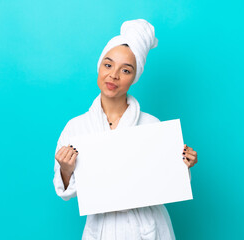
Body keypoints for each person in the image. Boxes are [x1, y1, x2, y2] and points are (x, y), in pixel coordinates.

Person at [53, 19, 198, 240]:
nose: (114, 75)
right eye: (108, 65)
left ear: (135, 76)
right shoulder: (76, 127)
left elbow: (168, 183)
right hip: (101, 229)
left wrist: (184, 165)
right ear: (99, 66)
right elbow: (66, 193)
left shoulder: (152, 125)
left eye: (126, 70)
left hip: (148, 228)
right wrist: (65, 169)